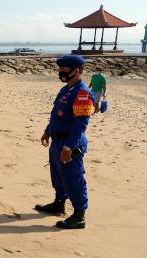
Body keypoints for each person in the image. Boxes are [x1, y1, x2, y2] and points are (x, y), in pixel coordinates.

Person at [36, 55, 95, 229]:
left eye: (64, 71)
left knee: (73, 177)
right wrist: (47, 131)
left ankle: (79, 215)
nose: (60, 74)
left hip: (70, 143)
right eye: (59, 71)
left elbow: (80, 124)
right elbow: (57, 114)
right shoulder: (66, 89)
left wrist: (69, 146)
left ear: (76, 71)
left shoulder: (82, 93)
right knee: (57, 174)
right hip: (57, 140)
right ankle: (59, 203)